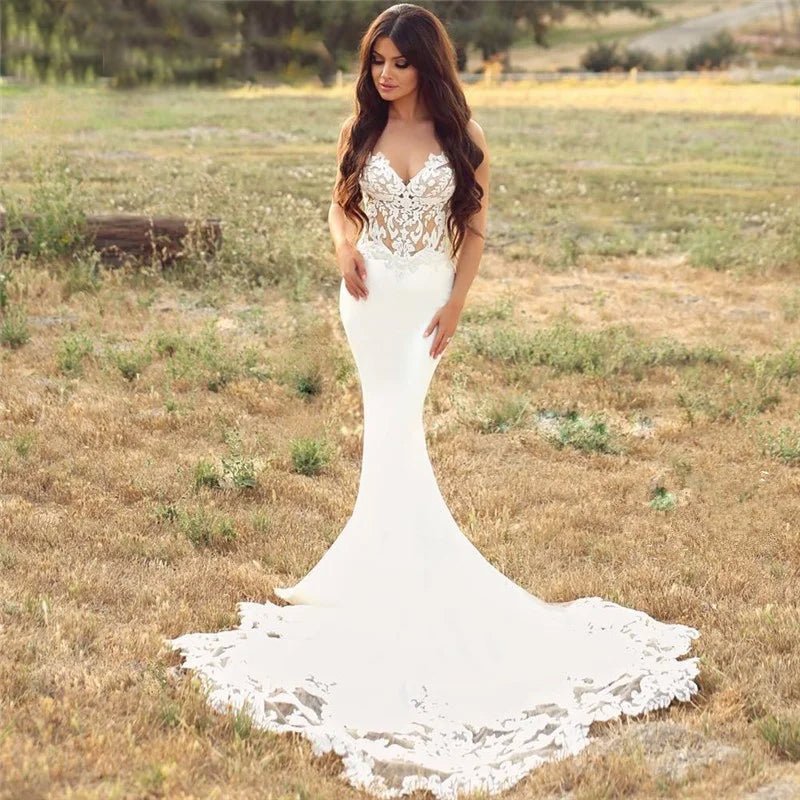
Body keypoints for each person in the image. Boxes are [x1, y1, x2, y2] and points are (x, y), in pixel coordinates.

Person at [165, 5, 701, 799]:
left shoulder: (464, 140)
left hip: (424, 308)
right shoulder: (362, 131)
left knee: (400, 432)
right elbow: (341, 205)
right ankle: (378, 585)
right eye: (376, 61)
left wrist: (456, 305)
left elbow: (475, 230)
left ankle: (387, 584)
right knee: (389, 435)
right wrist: (346, 250)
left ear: (428, 67)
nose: (384, 75)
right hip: (371, 303)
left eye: (398, 63)